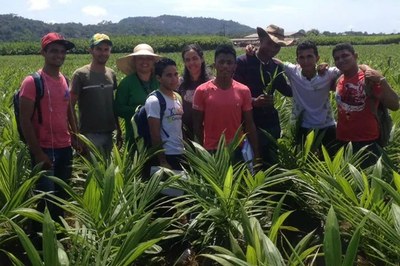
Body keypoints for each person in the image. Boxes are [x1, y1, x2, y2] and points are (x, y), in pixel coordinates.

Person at [19, 32, 79, 229]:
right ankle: (41, 241)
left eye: (62, 52)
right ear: (43, 52)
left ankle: (57, 235)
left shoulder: (64, 79)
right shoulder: (32, 82)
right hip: (45, 149)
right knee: (46, 197)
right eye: (54, 51)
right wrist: (37, 153)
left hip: (65, 147)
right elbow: (24, 120)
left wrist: (76, 137)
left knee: (61, 196)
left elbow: (69, 111)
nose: (59, 55)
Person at [234, 24, 292, 167]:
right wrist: (254, 101)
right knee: (251, 162)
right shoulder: (243, 62)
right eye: (270, 43)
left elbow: (287, 91)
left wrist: (306, 75)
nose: (274, 48)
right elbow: (233, 92)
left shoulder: (275, 66)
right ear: (261, 40)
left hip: (271, 123)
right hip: (248, 123)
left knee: (271, 162)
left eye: (278, 46)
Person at [333, 43, 399, 167]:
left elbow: (395, 105)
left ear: (355, 56)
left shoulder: (369, 79)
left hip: (367, 141)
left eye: (345, 56)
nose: (341, 60)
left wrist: (382, 80)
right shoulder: (339, 79)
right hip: (343, 139)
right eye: (337, 58)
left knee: (368, 182)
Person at [193, 44, 259, 162]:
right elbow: (197, 126)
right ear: (215, 64)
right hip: (211, 151)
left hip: (237, 149)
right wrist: (200, 153)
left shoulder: (243, 91)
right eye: (221, 62)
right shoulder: (201, 91)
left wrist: (256, 153)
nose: (225, 66)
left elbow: (250, 124)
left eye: (229, 63)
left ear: (235, 66)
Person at [274, 40, 340, 153]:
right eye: (301, 57)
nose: (306, 61)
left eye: (309, 56)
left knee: (329, 161)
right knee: (306, 164)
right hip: (303, 127)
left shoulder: (328, 73)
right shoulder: (293, 72)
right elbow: (274, 60)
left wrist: (367, 69)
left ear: (317, 58)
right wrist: (253, 50)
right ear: (297, 60)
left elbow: (352, 68)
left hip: (327, 126)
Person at [70, 33, 122, 158]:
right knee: (90, 173)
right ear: (90, 50)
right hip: (88, 134)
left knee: (106, 172)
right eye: (98, 49)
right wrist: (76, 135)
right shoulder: (80, 74)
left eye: (106, 49)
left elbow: (111, 102)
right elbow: (70, 106)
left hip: (109, 132)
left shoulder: (111, 74)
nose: (103, 53)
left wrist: (119, 129)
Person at [115, 43, 160, 149]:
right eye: (140, 58)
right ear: (134, 61)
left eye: (149, 58)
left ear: (153, 61)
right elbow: (118, 108)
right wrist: (140, 111)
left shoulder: (159, 80)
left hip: (160, 135)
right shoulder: (126, 83)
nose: (145, 62)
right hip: (135, 136)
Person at [146, 58, 184, 170]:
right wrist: (162, 160)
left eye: (175, 74)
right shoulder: (154, 100)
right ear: (158, 78)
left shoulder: (177, 97)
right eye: (169, 75)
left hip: (180, 152)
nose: (174, 79)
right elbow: (155, 134)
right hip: (166, 155)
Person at [178, 44, 212, 140]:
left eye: (195, 58)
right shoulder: (180, 84)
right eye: (187, 60)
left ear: (202, 59)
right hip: (186, 135)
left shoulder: (212, 83)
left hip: (208, 134)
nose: (191, 62)